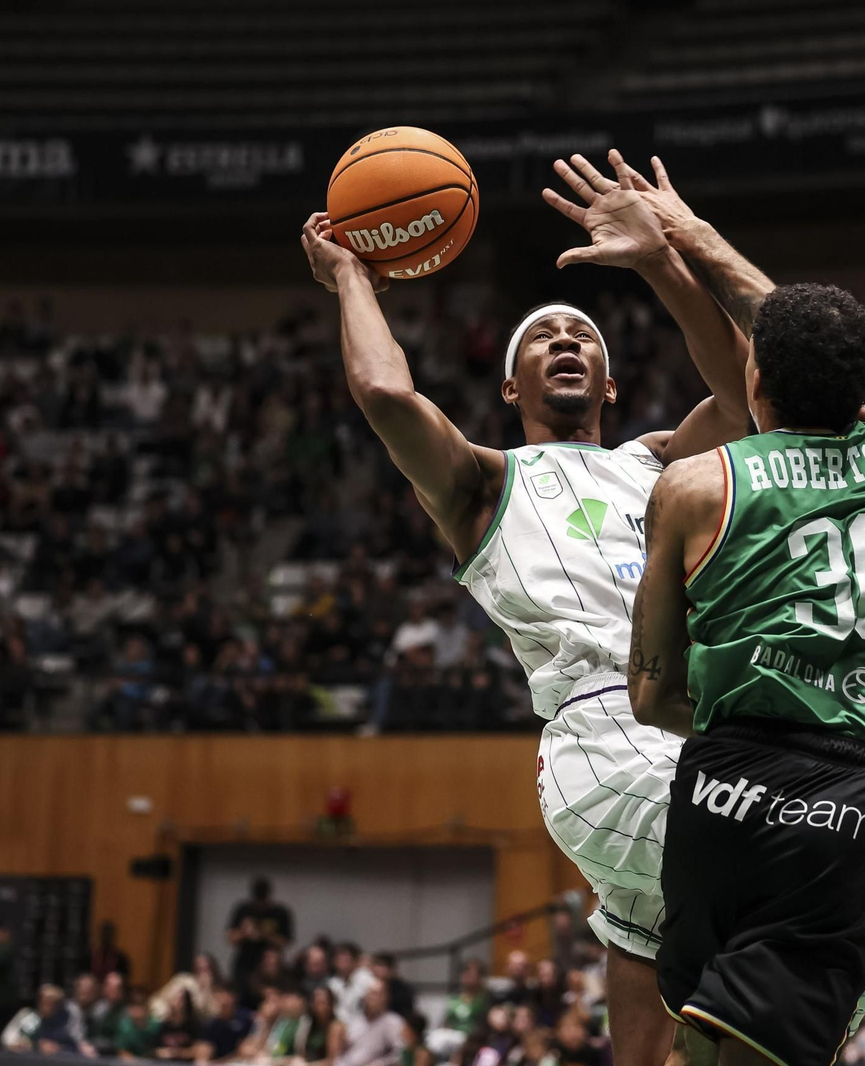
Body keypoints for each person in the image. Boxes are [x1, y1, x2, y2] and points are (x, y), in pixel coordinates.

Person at [300, 149, 751, 1066]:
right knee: (793, 868)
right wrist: (352, 277)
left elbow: (748, 397)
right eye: (542, 337)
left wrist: (663, 260)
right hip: (601, 726)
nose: (566, 342)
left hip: (694, 716)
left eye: (583, 336)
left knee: (643, 928)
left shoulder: (656, 461)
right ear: (511, 388)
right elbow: (387, 393)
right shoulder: (482, 482)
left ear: (613, 384)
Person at [629, 279, 865, 1066]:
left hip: (718, 786)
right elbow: (821, 350)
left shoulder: (693, 486)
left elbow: (653, 691)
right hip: (847, 803)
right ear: (861, 385)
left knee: (697, 1041)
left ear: (754, 378)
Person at [227, 878, 294, 995]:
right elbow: (230, 938)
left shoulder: (279, 912)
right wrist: (244, 932)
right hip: (245, 964)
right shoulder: (243, 910)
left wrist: (265, 934)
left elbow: (286, 942)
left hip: (271, 967)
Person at [335, 983, 406, 1066]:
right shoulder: (356, 1020)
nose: (373, 998)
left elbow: (400, 1053)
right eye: (370, 994)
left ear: (386, 998)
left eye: (377, 994)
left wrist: (380, 1063)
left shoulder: (393, 1022)